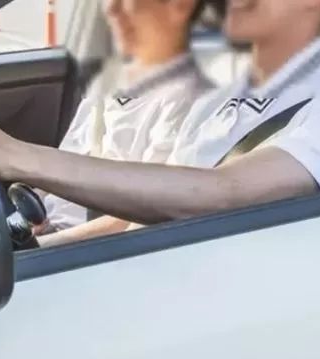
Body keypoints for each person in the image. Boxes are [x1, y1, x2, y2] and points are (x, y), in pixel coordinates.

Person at [0, 0, 320, 240]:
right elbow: (143, 210)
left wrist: (16, 155)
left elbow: (223, 192)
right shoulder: (213, 69)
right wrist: (34, 250)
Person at [40, 0, 215, 235]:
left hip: (86, 244)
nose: (111, 10)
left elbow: (144, 212)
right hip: (48, 221)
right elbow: (67, 156)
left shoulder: (186, 97)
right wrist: (27, 205)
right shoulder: (109, 79)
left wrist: (46, 246)